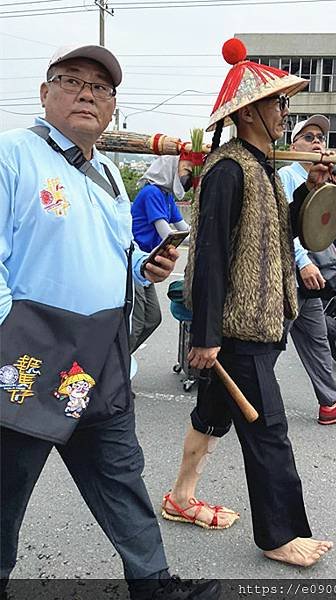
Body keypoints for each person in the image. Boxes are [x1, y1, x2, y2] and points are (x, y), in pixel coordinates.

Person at [0, 43, 219, 600]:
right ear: (45, 92)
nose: (87, 94)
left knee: (121, 477)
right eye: (71, 81)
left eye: (100, 88)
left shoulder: (110, 176)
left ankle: (155, 586)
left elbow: (113, 256)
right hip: (29, 358)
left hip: (100, 355)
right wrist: (12, 341)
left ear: (112, 106)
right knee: (4, 492)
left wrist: (145, 268)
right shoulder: (13, 157)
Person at [161, 38, 333, 567]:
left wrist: (311, 187)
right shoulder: (229, 169)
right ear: (251, 110)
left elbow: (282, 234)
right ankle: (278, 536)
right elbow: (208, 256)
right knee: (269, 433)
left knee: (213, 413)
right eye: (278, 103)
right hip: (238, 329)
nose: (285, 113)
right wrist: (206, 336)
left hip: (259, 318)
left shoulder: (262, 166)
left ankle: (181, 498)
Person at [278, 116, 336, 424]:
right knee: (268, 346)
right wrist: (303, 263)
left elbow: (322, 228)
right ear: (294, 145)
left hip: (309, 278)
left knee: (317, 341)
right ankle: (236, 396)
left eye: (321, 138)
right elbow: (284, 227)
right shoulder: (285, 176)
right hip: (290, 275)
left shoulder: (321, 180)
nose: (317, 142)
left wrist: (322, 181)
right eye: (309, 136)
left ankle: (330, 402)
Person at [130, 155, 191, 354]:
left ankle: (121, 360)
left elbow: (185, 230)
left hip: (148, 264)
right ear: (169, 170)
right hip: (134, 262)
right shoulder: (151, 193)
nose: (185, 176)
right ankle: (115, 370)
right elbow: (167, 233)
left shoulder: (167, 196)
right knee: (137, 323)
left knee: (152, 319)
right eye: (182, 170)